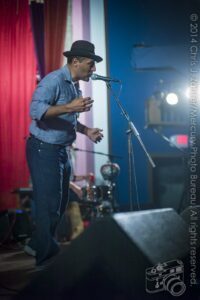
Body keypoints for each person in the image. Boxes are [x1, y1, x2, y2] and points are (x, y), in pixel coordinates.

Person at [25, 40, 103, 266]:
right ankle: (46, 262)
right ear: (75, 61)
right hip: (43, 150)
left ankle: (35, 244)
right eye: (90, 64)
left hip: (60, 151)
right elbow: (36, 111)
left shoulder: (73, 84)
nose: (94, 69)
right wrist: (71, 107)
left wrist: (86, 130)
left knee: (59, 205)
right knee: (49, 205)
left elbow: (65, 117)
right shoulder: (54, 80)